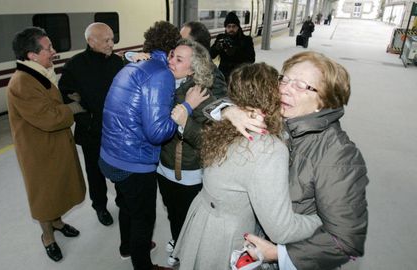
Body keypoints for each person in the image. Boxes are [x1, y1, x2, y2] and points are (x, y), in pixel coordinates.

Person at [213, 52, 369, 270]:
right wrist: (228, 111)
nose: (284, 89)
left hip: (294, 251)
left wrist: (280, 254)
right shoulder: (282, 117)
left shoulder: (338, 156)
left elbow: (346, 241)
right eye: (284, 79)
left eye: (301, 85)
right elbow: (214, 103)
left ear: (324, 100)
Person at [172, 63, 323, 270]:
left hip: (205, 218)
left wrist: (230, 111)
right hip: (227, 236)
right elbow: (282, 230)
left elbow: (212, 109)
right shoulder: (268, 149)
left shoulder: (228, 123)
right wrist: (322, 220)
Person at [99, 21, 197, 270]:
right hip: (133, 161)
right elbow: (157, 133)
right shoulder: (161, 74)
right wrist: (186, 107)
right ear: (171, 47)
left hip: (109, 154)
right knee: (144, 218)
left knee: (127, 206)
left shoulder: (135, 65)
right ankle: (143, 265)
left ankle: (127, 247)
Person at [7, 27, 86, 262]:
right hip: (38, 152)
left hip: (53, 145)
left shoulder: (39, 73)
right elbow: (49, 118)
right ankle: (47, 237)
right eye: (48, 48)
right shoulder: (22, 82)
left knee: (58, 187)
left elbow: (50, 102)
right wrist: (73, 108)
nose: (54, 52)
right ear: (32, 55)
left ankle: (58, 222)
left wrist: (66, 99)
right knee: (44, 195)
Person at [155, 38, 216, 267]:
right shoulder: (166, 82)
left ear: (192, 69)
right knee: (172, 211)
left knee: (186, 218)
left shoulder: (201, 94)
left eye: (179, 59)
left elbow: (209, 141)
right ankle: (177, 239)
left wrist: (185, 122)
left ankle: (183, 250)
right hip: (164, 166)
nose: (171, 61)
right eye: (171, 55)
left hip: (186, 173)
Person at [58, 22, 124, 226]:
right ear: (91, 41)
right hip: (91, 132)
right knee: (95, 172)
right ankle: (100, 206)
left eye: (112, 39)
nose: (111, 44)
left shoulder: (117, 63)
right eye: (106, 40)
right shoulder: (75, 66)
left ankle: (123, 200)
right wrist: (88, 119)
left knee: (120, 169)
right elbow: (67, 96)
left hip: (117, 130)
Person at [180, 21, 227, 98]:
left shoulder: (213, 77)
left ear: (197, 47)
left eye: (183, 42)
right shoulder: (187, 66)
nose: (177, 45)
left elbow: (219, 106)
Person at [210, 12, 255, 80]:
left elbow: (251, 59)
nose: (231, 29)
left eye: (234, 26)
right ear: (226, 28)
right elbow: (211, 56)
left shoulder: (246, 40)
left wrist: (236, 52)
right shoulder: (221, 38)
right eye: (229, 26)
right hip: (223, 75)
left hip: (239, 75)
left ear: (238, 27)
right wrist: (216, 48)